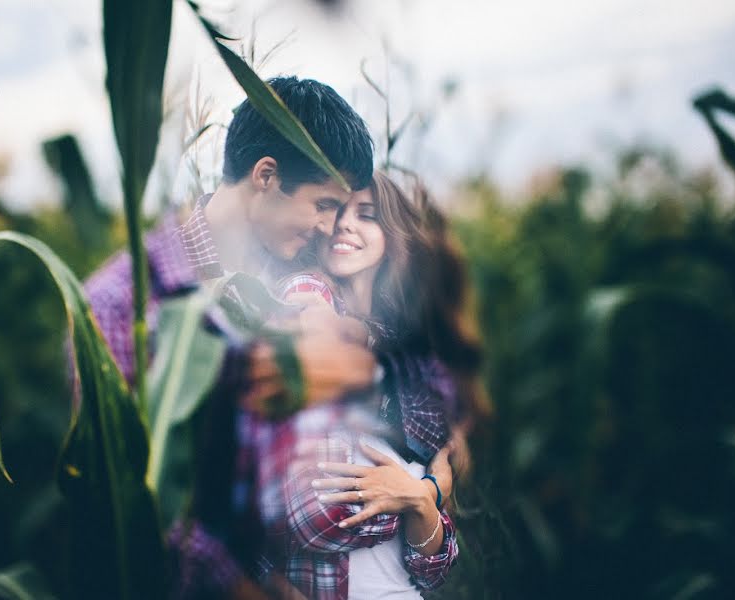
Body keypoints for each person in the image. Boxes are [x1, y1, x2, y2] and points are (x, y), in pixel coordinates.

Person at [83, 75, 381, 598]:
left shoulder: (286, 272)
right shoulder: (124, 302)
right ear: (266, 176)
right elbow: (130, 509)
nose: (331, 228)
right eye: (325, 205)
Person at [260, 171, 489, 598]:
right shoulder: (304, 302)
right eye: (335, 211)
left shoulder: (412, 363)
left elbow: (434, 568)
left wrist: (420, 500)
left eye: (366, 215)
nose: (344, 224)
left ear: (392, 236)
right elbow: (314, 519)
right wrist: (422, 494)